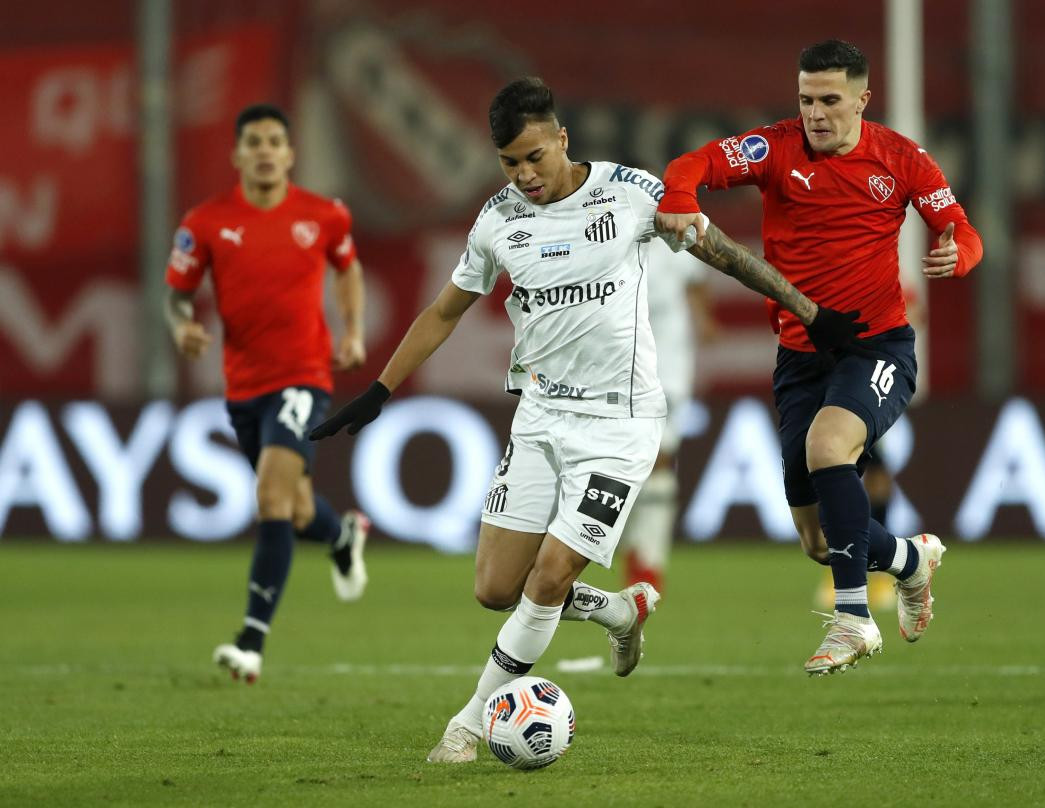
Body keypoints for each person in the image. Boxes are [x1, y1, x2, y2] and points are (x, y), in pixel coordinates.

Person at [309, 77, 866, 760]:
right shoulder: (499, 219)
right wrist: (381, 390)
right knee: (493, 589)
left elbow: (724, 254)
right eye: (510, 162)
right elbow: (445, 310)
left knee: (545, 580)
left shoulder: (631, 194)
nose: (525, 175)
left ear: (562, 137)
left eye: (535, 157)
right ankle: (616, 608)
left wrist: (810, 314)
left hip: (620, 425)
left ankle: (469, 720)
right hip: (540, 419)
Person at [656, 39, 983, 675]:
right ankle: (912, 562)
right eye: (806, 99)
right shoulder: (775, 149)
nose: (815, 113)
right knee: (820, 540)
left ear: (862, 99)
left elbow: (962, 230)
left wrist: (959, 256)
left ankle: (853, 618)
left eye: (830, 100)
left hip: (875, 344)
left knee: (830, 448)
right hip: (800, 355)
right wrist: (678, 196)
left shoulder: (901, 158)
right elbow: (693, 162)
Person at [163, 103, 372, 685]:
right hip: (243, 387)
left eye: (274, 140)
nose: (263, 150)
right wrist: (181, 326)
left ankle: (251, 640)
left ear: (289, 153)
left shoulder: (323, 214)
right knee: (298, 508)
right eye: (252, 141)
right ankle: (341, 534)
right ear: (236, 154)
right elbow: (177, 292)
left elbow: (348, 267)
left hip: (304, 375)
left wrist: (352, 330)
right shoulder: (204, 222)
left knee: (271, 498)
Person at [620, 237, 719, 592]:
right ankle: (632, 548)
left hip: (669, 367)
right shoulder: (612, 233)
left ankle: (649, 562)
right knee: (628, 461)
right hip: (622, 367)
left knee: (660, 458)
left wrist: (704, 319)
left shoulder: (672, 232)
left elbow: (697, 280)